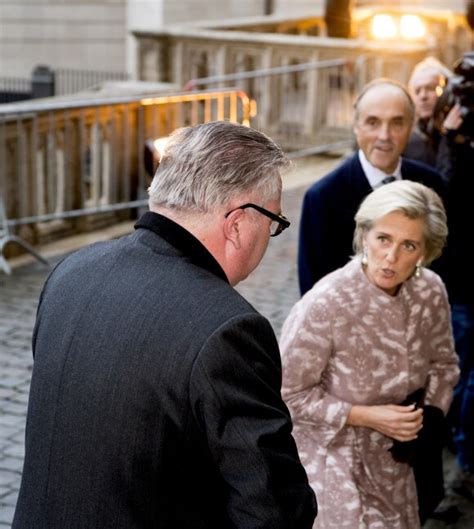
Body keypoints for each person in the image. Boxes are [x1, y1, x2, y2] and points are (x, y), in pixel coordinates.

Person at [12, 121, 317, 529]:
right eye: (275, 222)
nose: (270, 235)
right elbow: (274, 510)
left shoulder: (71, 271)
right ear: (239, 222)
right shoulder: (229, 328)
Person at [281, 180, 460, 528]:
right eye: (383, 239)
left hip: (400, 462)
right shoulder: (325, 303)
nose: (391, 257)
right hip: (333, 459)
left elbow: (444, 364)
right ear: (365, 235)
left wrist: (429, 417)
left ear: (426, 251)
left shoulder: (431, 291)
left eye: (408, 245)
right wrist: (365, 415)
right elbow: (287, 395)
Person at [298, 78, 446, 296]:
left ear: (411, 126)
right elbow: (313, 291)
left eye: (397, 123)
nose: (384, 136)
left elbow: (447, 269)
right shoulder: (322, 197)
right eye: (373, 122)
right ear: (356, 126)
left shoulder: (433, 184)